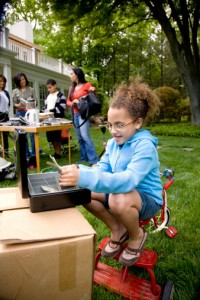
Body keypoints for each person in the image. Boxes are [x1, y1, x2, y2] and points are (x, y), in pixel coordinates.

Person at [59, 78, 162, 267]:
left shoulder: (145, 147)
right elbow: (101, 169)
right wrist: (79, 171)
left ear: (138, 122)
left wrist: (84, 175)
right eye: (110, 125)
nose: (113, 131)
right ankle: (118, 229)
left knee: (117, 198)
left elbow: (128, 181)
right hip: (121, 193)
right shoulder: (115, 144)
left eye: (120, 125)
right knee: (84, 192)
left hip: (147, 199)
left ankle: (136, 235)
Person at [66, 67, 99, 166]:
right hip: (75, 114)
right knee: (80, 138)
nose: (70, 76)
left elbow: (92, 96)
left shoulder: (86, 85)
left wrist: (93, 90)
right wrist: (73, 103)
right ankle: (83, 157)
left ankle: (94, 160)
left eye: (72, 74)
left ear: (77, 75)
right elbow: (68, 101)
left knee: (85, 136)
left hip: (83, 114)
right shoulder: (71, 88)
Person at [12, 72, 37, 159]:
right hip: (20, 113)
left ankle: (34, 154)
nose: (23, 81)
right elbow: (13, 103)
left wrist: (31, 103)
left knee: (32, 134)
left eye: (23, 79)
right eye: (20, 80)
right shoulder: (15, 91)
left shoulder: (31, 89)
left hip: (30, 113)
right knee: (23, 134)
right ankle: (26, 154)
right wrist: (17, 105)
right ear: (17, 81)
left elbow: (36, 102)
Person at [44, 79, 66, 158]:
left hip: (57, 119)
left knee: (57, 137)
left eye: (50, 87)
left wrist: (51, 111)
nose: (49, 89)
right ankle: (56, 151)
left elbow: (62, 107)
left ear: (55, 86)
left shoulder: (61, 96)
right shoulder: (48, 97)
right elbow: (45, 107)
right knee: (51, 137)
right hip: (48, 120)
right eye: (48, 88)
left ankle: (58, 152)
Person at [0, 75, 10, 157]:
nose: (2, 83)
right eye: (0, 81)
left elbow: (8, 104)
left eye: (3, 81)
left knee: (5, 135)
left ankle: (6, 153)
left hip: (5, 115)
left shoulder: (6, 93)